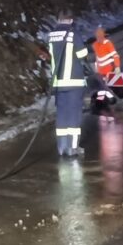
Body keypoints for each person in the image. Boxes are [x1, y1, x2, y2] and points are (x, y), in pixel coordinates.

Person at [47, 13, 90, 158]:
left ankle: (62, 147)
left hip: (58, 84)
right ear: (71, 20)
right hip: (73, 83)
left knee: (62, 115)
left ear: (58, 19)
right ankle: (73, 147)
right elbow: (83, 54)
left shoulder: (51, 35)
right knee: (74, 115)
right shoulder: (73, 34)